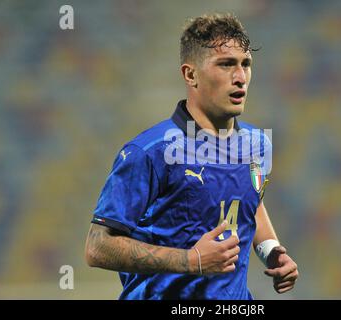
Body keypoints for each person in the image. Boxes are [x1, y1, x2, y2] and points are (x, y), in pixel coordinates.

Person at [85, 13, 298, 300]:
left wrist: (271, 249)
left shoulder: (257, 144)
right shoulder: (149, 152)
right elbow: (98, 247)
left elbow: (250, 201)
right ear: (190, 74)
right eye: (225, 65)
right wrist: (191, 261)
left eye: (245, 64)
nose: (240, 78)